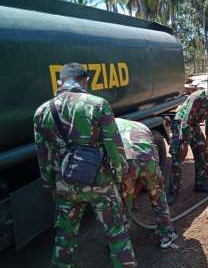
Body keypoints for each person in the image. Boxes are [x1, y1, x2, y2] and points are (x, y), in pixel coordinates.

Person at [33, 63, 137, 267]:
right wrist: (123, 178)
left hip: (66, 183)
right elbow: (115, 148)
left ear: (59, 82)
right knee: (116, 235)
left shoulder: (41, 111)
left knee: (64, 237)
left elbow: (43, 156)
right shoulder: (98, 104)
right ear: (85, 81)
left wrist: (50, 185)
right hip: (102, 184)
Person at [115, 118, 178, 249]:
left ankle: (122, 240)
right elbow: (144, 177)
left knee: (123, 198)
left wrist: (130, 194)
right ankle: (166, 234)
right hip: (149, 159)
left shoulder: (108, 125)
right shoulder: (141, 126)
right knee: (158, 197)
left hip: (127, 159)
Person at [168, 73, 208, 202]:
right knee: (178, 157)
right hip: (181, 124)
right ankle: (172, 192)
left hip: (193, 124)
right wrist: (185, 144)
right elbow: (186, 120)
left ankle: (201, 184)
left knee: (203, 153)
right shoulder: (197, 97)